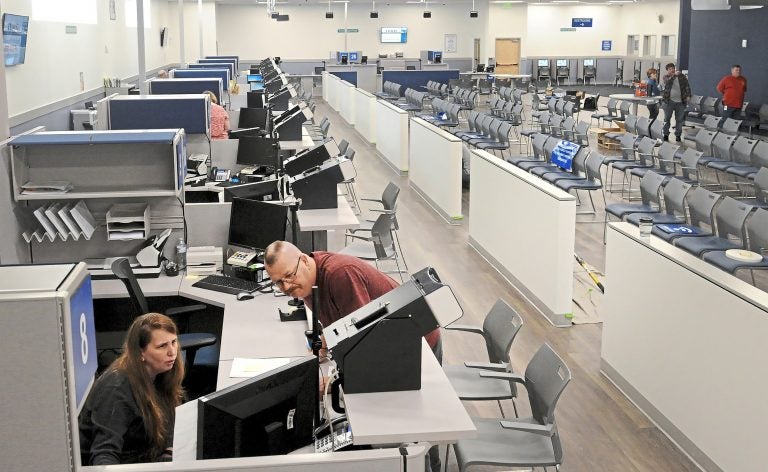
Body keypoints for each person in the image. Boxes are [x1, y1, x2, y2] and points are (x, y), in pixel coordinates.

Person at [264, 241, 442, 472]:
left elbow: (364, 341)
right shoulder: (307, 282)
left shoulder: (340, 275)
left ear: (305, 261)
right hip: (387, 342)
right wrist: (325, 344)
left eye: (289, 276)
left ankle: (432, 467)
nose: (286, 286)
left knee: (418, 423)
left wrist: (328, 383)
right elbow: (343, 324)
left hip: (416, 339)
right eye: (278, 282)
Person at [79, 313, 184, 465]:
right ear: (141, 353)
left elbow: (168, 419)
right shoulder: (116, 389)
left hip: (150, 456)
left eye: (174, 342)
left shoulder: (162, 372)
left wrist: (170, 450)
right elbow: (104, 455)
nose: (172, 352)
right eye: (162, 346)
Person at [660, 62, 691, 141]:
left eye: (673, 68)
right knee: (667, 119)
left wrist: (688, 95)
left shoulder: (681, 76)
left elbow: (687, 86)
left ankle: (678, 135)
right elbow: (668, 82)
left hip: (680, 102)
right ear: (667, 70)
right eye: (670, 69)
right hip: (668, 102)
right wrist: (674, 75)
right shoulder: (665, 77)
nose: (672, 70)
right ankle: (666, 134)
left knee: (679, 120)